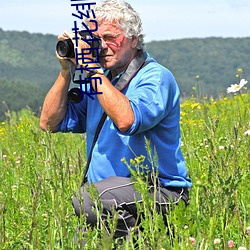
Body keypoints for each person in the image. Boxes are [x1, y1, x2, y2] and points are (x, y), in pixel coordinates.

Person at [40, 0, 192, 243]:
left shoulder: (154, 77)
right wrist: (66, 70)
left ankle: (145, 242)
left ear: (133, 39)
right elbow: (49, 123)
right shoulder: (102, 82)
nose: (101, 46)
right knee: (82, 239)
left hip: (159, 191)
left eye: (110, 37)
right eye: (95, 39)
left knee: (88, 200)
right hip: (110, 198)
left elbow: (127, 120)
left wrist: (91, 69)